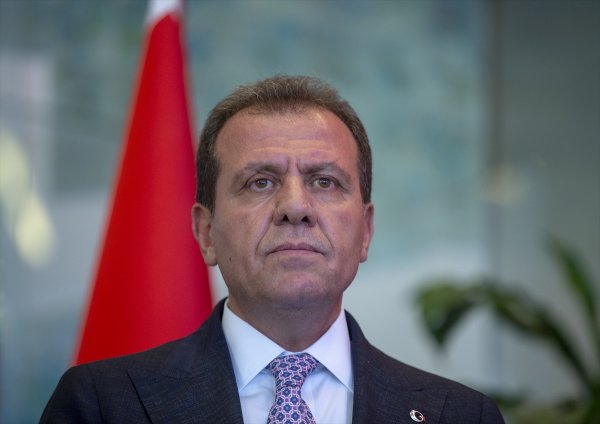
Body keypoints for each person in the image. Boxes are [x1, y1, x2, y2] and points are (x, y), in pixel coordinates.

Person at [41, 75, 504, 423]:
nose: (295, 208)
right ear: (206, 232)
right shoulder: (100, 405)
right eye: (260, 182)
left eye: (325, 182)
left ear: (365, 231)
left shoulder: (461, 416)